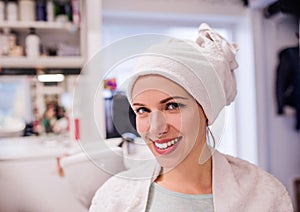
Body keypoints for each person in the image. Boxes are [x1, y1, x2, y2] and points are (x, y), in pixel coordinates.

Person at [90, 24, 293, 211]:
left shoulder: (265, 196)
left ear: (206, 111)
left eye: (172, 106)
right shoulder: (113, 199)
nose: (155, 128)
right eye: (142, 110)